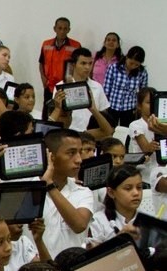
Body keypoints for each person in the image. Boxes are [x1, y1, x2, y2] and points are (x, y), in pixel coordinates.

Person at [40, 129, 93, 257]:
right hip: (36, 267)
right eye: (71, 153)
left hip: (73, 266)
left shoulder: (83, 192)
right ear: (51, 156)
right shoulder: (28, 189)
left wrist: (50, 185)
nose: (79, 160)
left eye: (80, 152)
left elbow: (79, 225)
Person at [38, 17, 81, 114]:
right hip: (49, 86)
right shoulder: (46, 44)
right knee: (47, 112)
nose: (62, 31)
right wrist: (43, 78)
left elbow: (78, 66)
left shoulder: (76, 46)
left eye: (65, 28)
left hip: (66, 86)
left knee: (65, 113)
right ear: (55, 29)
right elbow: (41, 63)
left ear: (69, 30)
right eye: (60, 28)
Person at [103, 46, 149, 127]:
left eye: (136, 65)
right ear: (127, 57)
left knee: (127, 130)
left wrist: (139, 108)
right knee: (110, 129)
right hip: (112, 105)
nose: (133, 66)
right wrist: (104, 106)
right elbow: (106, 89)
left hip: (130, 108)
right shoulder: (113, 68)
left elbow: (143, 93)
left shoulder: (142, 72)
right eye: (131, 63)